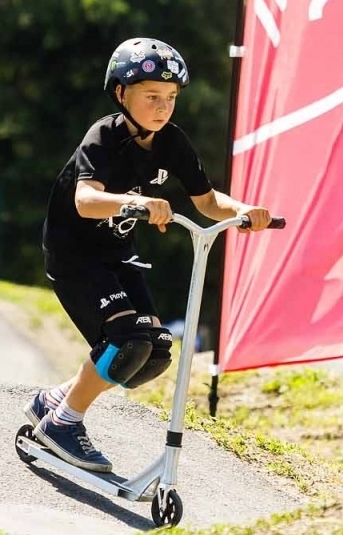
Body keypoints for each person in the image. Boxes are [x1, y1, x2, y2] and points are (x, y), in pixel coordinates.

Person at [24, 37, 271, 472]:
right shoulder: (104, 137)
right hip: (76, 256)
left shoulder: (171, 142)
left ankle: (55, 400)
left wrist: (243, 211)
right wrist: (134, 203)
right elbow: (85, 200)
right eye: (152, 96)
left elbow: (208, 201)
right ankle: (64, 424)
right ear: (121, 93)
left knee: (154, 351)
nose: (163, 107)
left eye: (171, 98)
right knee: (125, 341)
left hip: (119, 254)